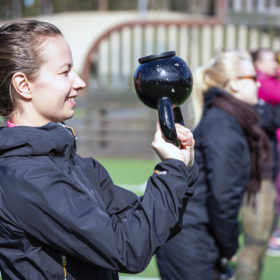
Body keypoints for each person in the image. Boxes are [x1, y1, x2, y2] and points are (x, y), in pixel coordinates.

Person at [0, 19, 198, 280]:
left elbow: (149, 228)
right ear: (24, 85)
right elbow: (128, 249)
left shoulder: (78, 165)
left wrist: (182, 166)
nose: (80, 82)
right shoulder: (24, 178)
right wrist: (171, 171)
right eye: (65, 72)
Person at [156, 51, 271, 280]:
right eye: (252, 77)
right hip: (191, 246)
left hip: (194, 242)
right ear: (234, 84)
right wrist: (229, 248)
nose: (258, 83)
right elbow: (224, 197)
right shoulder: (223, 125)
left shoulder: (226, 119)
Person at [251, 48, 280, 257]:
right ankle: (269, 235)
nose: (276, 65)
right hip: (270, 145)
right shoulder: (261, 81)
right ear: (259, 63)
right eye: (272, 61)